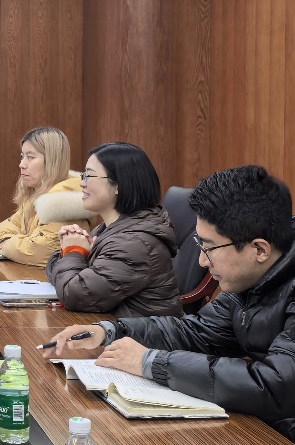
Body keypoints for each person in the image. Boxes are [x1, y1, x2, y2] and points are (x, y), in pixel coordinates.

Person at [44, 165, 295, 441]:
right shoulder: (249, 283)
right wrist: (110, 331)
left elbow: (275, 386)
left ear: (259, 249)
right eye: (200, 245)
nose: (202, 261)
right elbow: (196, 333)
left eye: (209, 248)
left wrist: (152, 362)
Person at [45, 142, 182, 317]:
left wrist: (73, 251)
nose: (82, 184)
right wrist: (71, 251)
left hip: (136, 333)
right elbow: (56, 274)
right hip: (111, 326)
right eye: (83, 176)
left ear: (118, 185)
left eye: (89, 176)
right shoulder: (111, 229)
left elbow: (76, 295)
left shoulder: (134, 244)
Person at [0, 126, 98, 265]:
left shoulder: (62, 203)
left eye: (30, 157)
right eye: (22, 156)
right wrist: (11, 243)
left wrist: (5, 245)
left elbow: (35, 251)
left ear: (52, 161)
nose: (21, 164)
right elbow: (5, 226)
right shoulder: (38, 194)